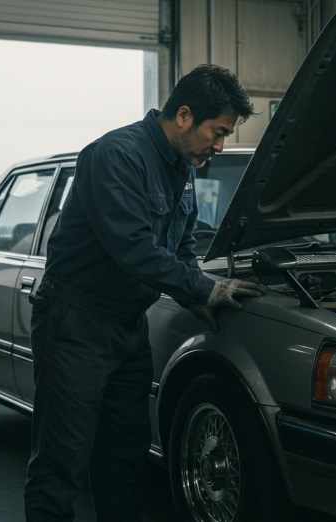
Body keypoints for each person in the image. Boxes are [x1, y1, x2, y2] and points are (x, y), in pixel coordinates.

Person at [24, 64, 266, 521]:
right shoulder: (115, 155)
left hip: (128, 327)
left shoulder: (182, 168)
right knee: (63, 459)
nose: (218, 145)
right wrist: (206, 289)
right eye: (216, 132)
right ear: (183, 115)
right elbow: (133, 249)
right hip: (76, 323)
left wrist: (198, 298)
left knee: (123, 455)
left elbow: (179, 248)